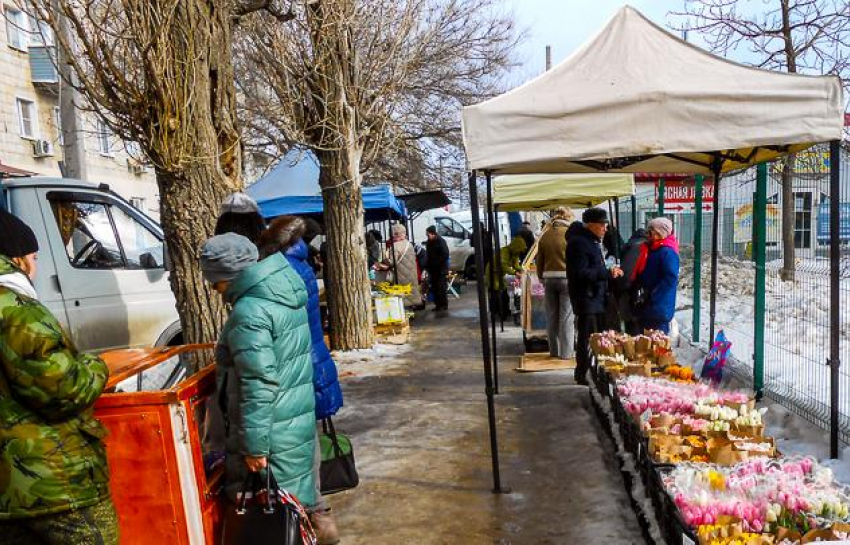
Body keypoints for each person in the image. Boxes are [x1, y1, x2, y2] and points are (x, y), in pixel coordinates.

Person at [0, 210, 117, 544]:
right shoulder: (15, 309)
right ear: (18, 259)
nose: (36, 267)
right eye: (34, 257)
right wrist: (96, 366)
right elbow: (63, 390)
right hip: (53, 484)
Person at [200, 234, 318, 529]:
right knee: (291, 517)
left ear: (229, 275)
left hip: (271, 435)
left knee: (272, 523)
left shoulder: (250, 312)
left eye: (214, 281)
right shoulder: (279, 293)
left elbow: (258, 382)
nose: (215, 289)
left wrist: (254, 447)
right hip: (291, 425)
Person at [257, 217, 342, 544]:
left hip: (296, 368)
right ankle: (320, 519)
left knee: (298, 451)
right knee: (305, 445)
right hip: (310, 364)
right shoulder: (301, 266)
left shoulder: (284, 272)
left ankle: (312, 521)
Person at [566, 208, 623, 385]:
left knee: (593, 337)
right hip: (587, 298)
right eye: (602, 224)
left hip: (594, 298)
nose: (605, 228)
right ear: (590, 225)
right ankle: (583, 373)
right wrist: (606, 272)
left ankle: (590, 372)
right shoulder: (580, 244)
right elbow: (581, 273)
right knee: (587, 338)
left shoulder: (591, 241)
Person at [536, 207, 575, 360]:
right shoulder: (570, 235)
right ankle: (566, 353)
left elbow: (539, 260)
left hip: (549, 279)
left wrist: (541, 277)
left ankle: (554, 351)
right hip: (566, 278)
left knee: (551, 316)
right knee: (566, 317)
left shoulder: (545, 235)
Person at [633, 217, 680, 334]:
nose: (647, 233)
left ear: (660, 232)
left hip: (659, 305)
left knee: (657, 343)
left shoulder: (667, 252)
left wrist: (655, 293)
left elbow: (670, 277)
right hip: (650, 302)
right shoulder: (654, 249)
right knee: (647, 341)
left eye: (651, 230)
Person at [376, 224, 422, 309]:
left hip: (400, 276)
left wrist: (384, 260)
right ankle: (410, 313)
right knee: (410, 295)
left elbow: (392, 262)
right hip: (411, 275)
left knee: (402, 298)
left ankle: (405, 315)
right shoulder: (409, 244)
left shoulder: (396, 246)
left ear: (395, 234)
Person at [486, 235, 527, 321]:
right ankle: (496, 313)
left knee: (504, 292)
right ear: (516, 247)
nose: (520, 252)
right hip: (492, 273)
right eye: (519, 250)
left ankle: (505, 311)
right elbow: (503, 265)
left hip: (500, 275)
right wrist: (515, 273)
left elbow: (516, 265)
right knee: (496, 292)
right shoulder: (504, 252)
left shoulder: (515, 254)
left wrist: (523, 270)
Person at [618, 228, 649, 335]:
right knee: (635, 319)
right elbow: (631, 271)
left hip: (626, 287)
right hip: (633, 287)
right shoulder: (641, 247)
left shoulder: (630, 245)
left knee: (628, 318)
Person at [425, 225, 450, 313]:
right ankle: (438, 305)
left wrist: (437, 262)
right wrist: (427, 265)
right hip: (432, 269)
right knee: (435, 287)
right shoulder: (429, 242)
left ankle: (443, 305)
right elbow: (428, 255)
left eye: (428, 234)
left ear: (433, 234)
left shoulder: (441, 241)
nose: (427, 236)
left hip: (441, 269)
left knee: (441, 287)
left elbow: (445, 254)